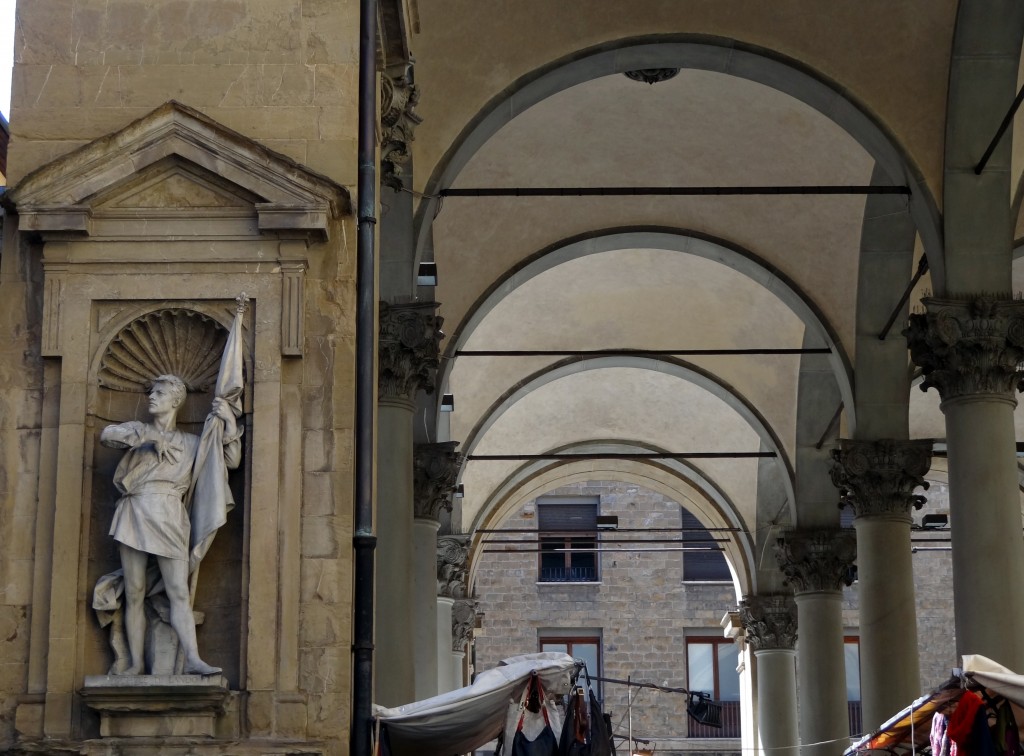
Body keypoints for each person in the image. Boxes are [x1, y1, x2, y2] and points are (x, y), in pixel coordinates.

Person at [100, 374, 242, 676]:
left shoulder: (191, 443)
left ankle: (192, 658)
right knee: (135, 591)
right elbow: (108, 435)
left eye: (160, 393)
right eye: (152, 392)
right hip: (135, 509)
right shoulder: (140, 431)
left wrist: (229, 422)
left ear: (176, 400)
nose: (152, 397)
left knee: (178, 591)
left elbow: (229, 462)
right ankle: (137, 664)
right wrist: (151, 438)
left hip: (170, 513)